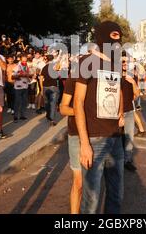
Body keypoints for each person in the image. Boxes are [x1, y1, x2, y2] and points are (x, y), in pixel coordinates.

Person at [74, 21, 124, 214]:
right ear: (102, 37)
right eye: (113, 36)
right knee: (92, 202)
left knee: (116, 196)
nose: (118, 41)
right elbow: (77, 102)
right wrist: (84, 143)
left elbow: (117, 91)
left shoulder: (115, 64)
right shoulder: (88, 62)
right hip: (94, 139)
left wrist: (119, 112)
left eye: (119, 37)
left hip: (115, 138)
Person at [59, 76, 82, 214]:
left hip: (98, 135)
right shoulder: (73, 80)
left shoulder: (102, 79)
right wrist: (81, 112)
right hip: (76, 134)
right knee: (79, 182)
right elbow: (63, 108)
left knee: (93, 181)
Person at [121, 53, 141, 172]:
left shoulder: (131, 76)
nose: (125, 64)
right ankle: (115, 161)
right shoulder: (113, 76)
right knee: (116, 138)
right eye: (122, 62)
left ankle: (127, 160)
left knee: (129, 137)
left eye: (126, 62)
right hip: (115, 113)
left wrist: (133, 83)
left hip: (128, 111)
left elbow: (137, 94)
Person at [40, 55, 59, 126]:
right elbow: (58, 70)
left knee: (47, 103)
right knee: (53, 104)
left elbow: (41, 78)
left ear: (47, 59)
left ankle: (48, 116)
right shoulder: (55, 66)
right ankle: (52, 120)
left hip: (45, 87)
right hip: (53, 87)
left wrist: (41, 88)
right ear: (53, 59)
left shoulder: (44, 67)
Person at [12, 54, 30, 122]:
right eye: (23, 61)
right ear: (20, 60)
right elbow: (12, 77)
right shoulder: (17, 67)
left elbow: (28, 75)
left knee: (24, 102)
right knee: (17, 102)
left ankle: (22, 115)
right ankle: (15, 116)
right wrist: (20, 75)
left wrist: (29, 76)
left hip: (25, 86)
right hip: (18, 87)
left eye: (26, 61)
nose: (25, 62)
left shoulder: (27, 66)